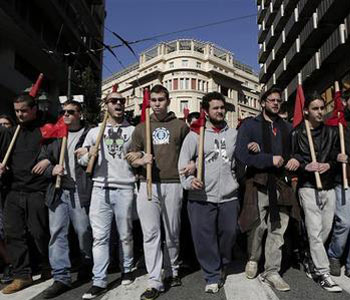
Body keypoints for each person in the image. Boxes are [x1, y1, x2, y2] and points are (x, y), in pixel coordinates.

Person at [235, 87, 300, 292]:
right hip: (259, 182)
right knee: (257, 226)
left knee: (278, 229)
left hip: (282, 184)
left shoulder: (287, 127)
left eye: (278, 100)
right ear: (262, 102)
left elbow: (297, 153)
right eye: (271, 100)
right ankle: (253, 258)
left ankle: (272, 270)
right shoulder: (249, 126)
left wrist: (295, 161)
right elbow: (241, 154)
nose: (275, 103)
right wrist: (267, 158)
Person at [128, 84, 189, 300]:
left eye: (161, 99)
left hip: (173, 183)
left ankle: (172, 269)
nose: (157, 104)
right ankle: (154, 280)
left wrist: (191, 166)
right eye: (153, 100)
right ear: (149, 102)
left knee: (172, 231)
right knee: (151, 234)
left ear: (168, 100)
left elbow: (192, 153)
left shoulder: (181, 126)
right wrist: (140, 160)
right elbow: (130, 156)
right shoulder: (141, 127)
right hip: (148, 184)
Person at [178, 92, 239, 294]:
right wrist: (189, 181)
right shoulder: (194, 135)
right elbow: (182, 165)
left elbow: (237, 162)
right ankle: (212, 274)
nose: (220, 111)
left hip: (229, 196)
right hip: (201, 197)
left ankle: (222, 262)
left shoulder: (233, 134)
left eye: (222, 107)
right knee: (204, 239)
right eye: (216, 108)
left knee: (229, 234)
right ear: (206, 111)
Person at [78, 91, 136, 300]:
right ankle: (99, 280)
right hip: (100, 188)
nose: (118, 103)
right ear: (106, 106)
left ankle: (127, 269)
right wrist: (87, 156)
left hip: (125, 187)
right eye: (114, 101)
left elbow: (139, 154)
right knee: (100, 237)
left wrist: (138, 156)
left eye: (121, 100)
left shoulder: (133, 130)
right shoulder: (94, 132)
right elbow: (82, 160)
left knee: (125, 234)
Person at [39, 101, 93, 298]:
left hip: (80, 190)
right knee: (57, 233)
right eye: (63, 112)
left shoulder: (90, 134)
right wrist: (51, 169)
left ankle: (87, 262)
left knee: (83, 231)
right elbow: (41, 160)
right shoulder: (55, 136)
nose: (66, 115)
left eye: (71, 112)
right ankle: (60, 277)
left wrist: (89, 153)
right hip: (58, 190)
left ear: (80, 114)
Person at [0, 94, 51, 294]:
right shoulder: (10, 133)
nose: (19, 114)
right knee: (13, 234)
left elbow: (55, 150)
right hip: (13, 190)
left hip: (36, 191)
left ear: (33, 109)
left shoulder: (44, 130)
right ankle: (22, 275)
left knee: (39, 233)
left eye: (23, 110)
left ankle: (47, 265)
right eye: (16, 111)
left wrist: (48, 160)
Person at [292, 92, 342, 292]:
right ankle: (323, 272)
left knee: (325, 229)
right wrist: (305, 166)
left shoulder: (332, 132)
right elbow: (292, 159)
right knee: (314, 230)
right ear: (306, 111)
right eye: (315, 108)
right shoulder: (297, 133)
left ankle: (308, 254)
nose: (320, 112)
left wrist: (330, 165)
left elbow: (335, 157)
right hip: (308, 187)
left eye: (322, 108)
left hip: (328, 185)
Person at [328, 89, 350, 278]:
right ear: (345, 102)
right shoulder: (336, 125)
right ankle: (334, 255)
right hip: (343, 181)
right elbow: (325, 152)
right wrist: (337, 156)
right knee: (345, 222)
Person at [0, 114, 15, 284]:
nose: (4, 127)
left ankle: (10, 263)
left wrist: (6, 168)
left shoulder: (6, 137)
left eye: (6, 124)